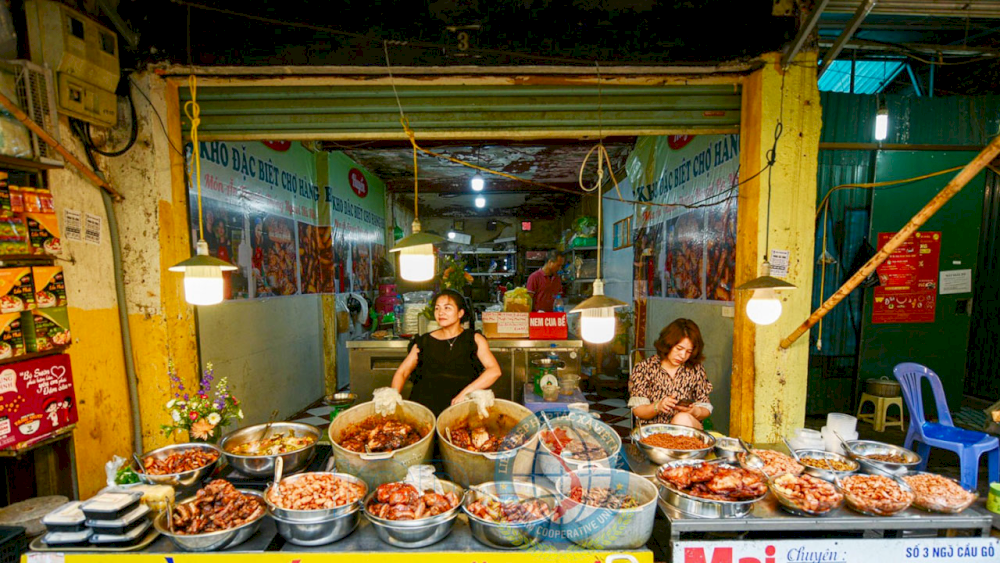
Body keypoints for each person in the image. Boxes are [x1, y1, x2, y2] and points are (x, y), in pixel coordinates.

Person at [391, 289, 502, 415]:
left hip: (461, 409)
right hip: (424, 411)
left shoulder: (474, 339)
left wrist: (465, 393)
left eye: (447, 308)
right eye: (437, 308)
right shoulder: (424, 341)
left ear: (460, 313)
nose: (441, 312)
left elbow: (494, 371)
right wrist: (392, 394)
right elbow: (402, 372)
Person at [628, 318, 713, 429]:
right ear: (668, 344)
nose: (682, 356)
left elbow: (705, 408)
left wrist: (695, 411)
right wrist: (658, 406)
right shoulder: (645, 368)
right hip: (653, 432)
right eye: (679, 348)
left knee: (681, 419)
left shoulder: (695, 369)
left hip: (687, 432)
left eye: (688, 351)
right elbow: (638, 411)